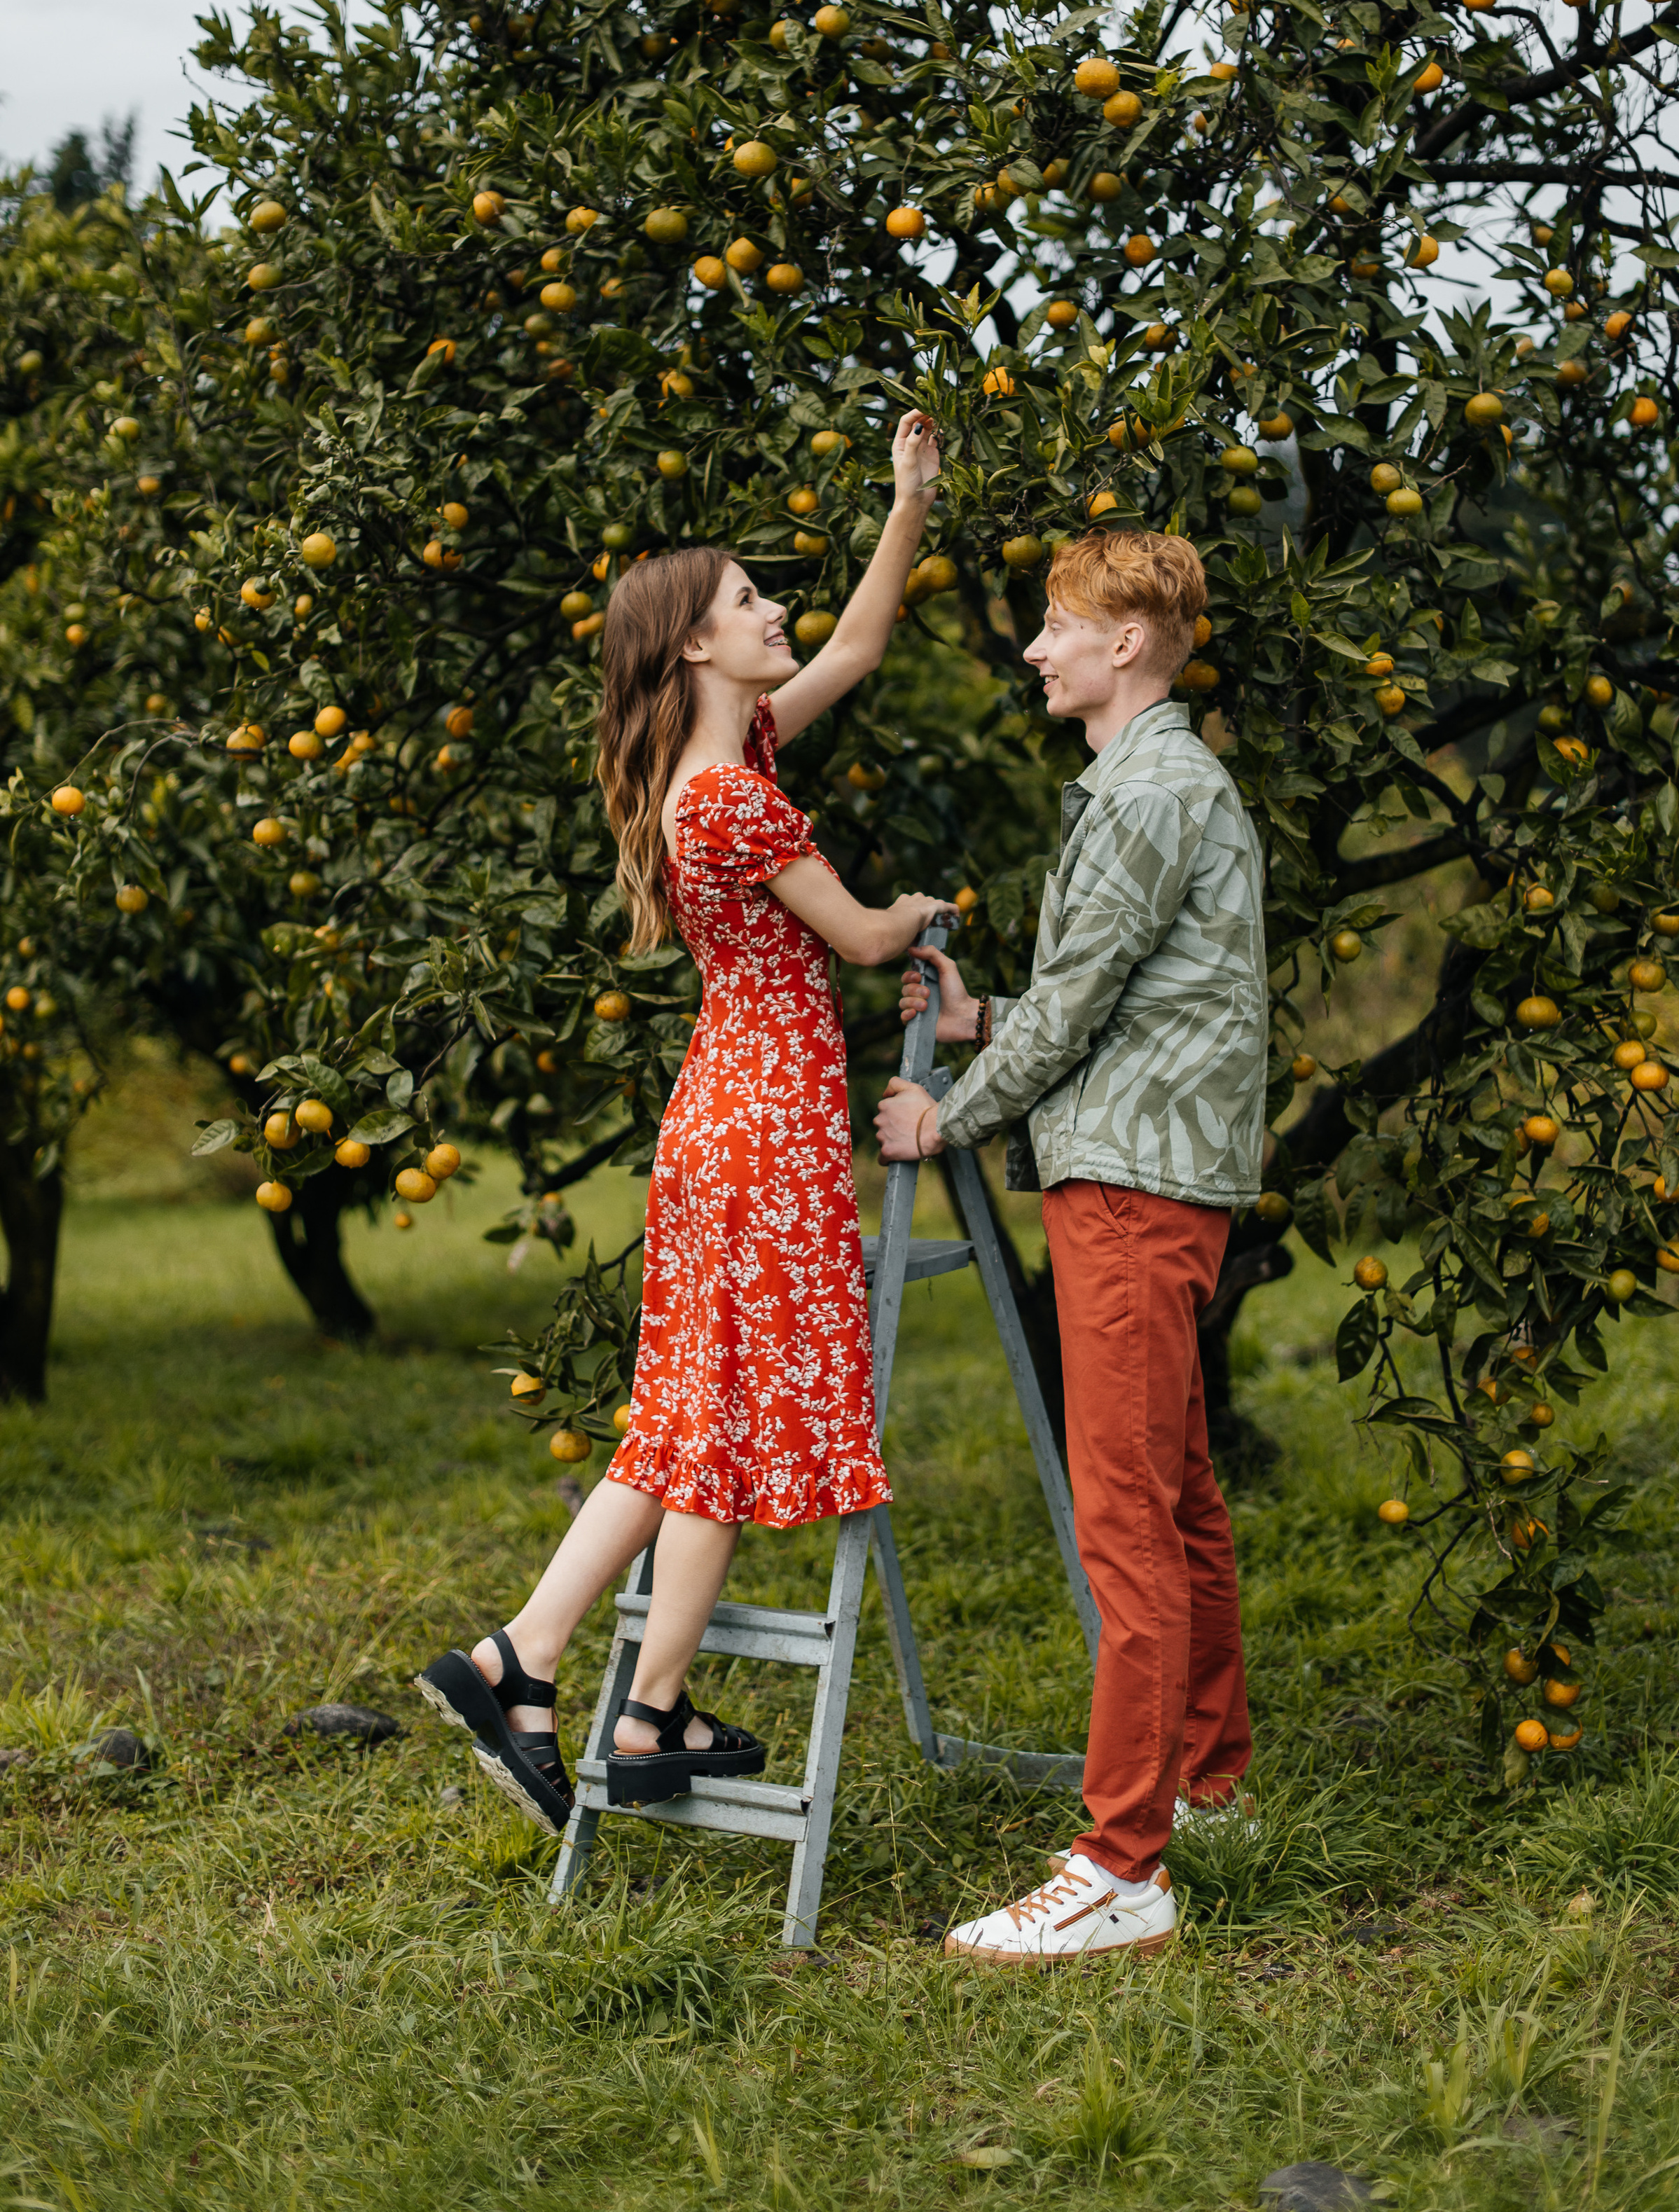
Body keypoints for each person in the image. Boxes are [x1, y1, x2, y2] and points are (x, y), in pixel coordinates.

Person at [417, 411, 953, 1830]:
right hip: (763, 1122)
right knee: (711, 1420)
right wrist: (919, 913)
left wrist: (908, 502)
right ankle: (596, 1686)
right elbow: (858, 936)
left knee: (689, 1416)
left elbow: (858, 646)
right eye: (750, 599)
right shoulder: (734, 803)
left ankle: (548, 1672)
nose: (778, 612)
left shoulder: (723, 767)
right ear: (696, 647)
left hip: (726, 1112)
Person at [875, 527, 1268, 1965]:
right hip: (1154, 1167)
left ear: (1126, 642)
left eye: (1057, 625)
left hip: (1131, 1184)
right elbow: (1127, 988)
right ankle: (1208, 1784)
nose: (1036, 649)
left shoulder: (1151, 789)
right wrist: (988, 1019)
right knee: (1176, 1493)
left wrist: (950, 1112)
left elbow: (1090, 990)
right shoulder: (1155, 782)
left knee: (1125, 1520)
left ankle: (1120, 1866)